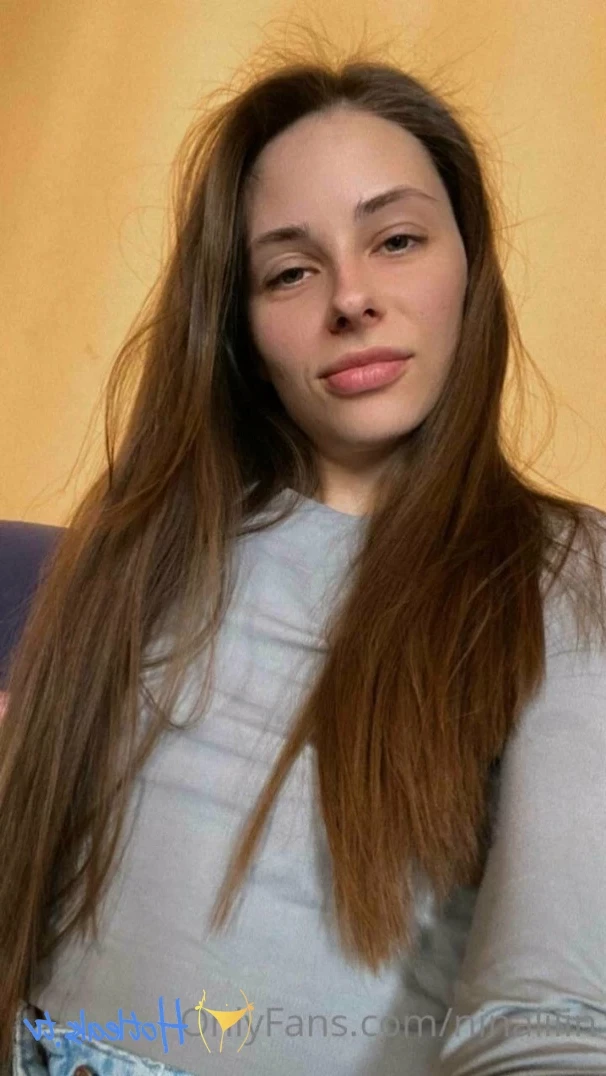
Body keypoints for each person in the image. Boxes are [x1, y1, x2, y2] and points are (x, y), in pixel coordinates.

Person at [1, 43, 605, 1076]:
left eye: (397, 239)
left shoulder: (562, 573)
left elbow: (550, 1021)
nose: (351, 297)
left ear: (471, 266)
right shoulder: (145, 543)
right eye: (290, 269)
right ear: (238, 324)